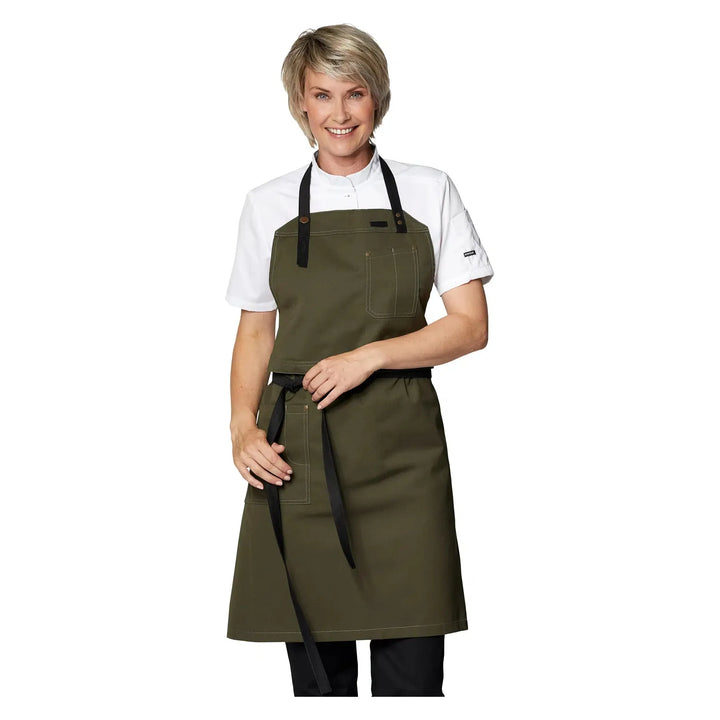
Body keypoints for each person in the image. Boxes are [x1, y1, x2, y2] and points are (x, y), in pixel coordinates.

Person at [225, 23, 494, 697]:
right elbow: (255, 330)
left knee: (414, 682)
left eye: (355, 93)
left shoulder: (430, 190)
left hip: (403, 456)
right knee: (321, 686)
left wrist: (369, 357)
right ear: (300, 102)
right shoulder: (267, 204)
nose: (339, 113)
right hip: (301, 452)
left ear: (378, 98)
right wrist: (241, 428)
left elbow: (470, 327)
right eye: (322, 95)